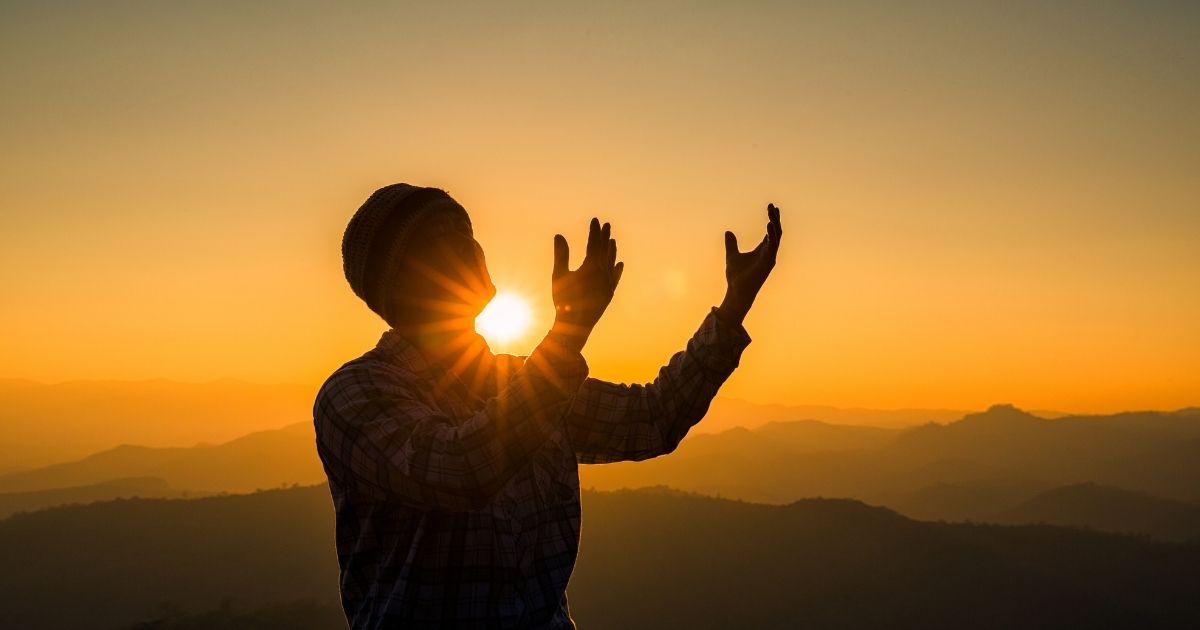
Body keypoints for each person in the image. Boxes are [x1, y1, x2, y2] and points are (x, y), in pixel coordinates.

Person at [314, 183, 782, 629]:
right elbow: (461, 469)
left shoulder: (524, 382)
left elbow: (652, 419)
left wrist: (734, 305)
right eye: (441, 236)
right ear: (398, 279)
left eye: (466, 229)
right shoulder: (354, 393)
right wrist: (568, 334)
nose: (468, 245)